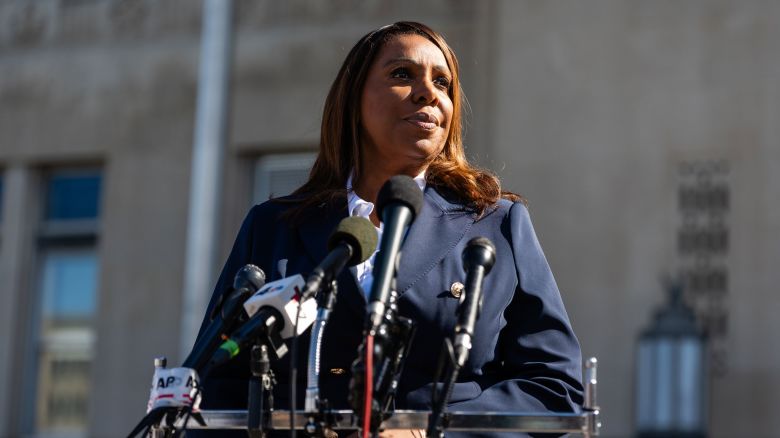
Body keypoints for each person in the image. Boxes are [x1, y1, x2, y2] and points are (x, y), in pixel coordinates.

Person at [194, 21, 583, 437]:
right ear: (353, 99)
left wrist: (424, 432)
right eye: (402, 74)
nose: (429, 93)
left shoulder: (496, 223)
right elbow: (215, 385)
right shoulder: (274, 227)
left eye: (443, 82)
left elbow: (555, 388)